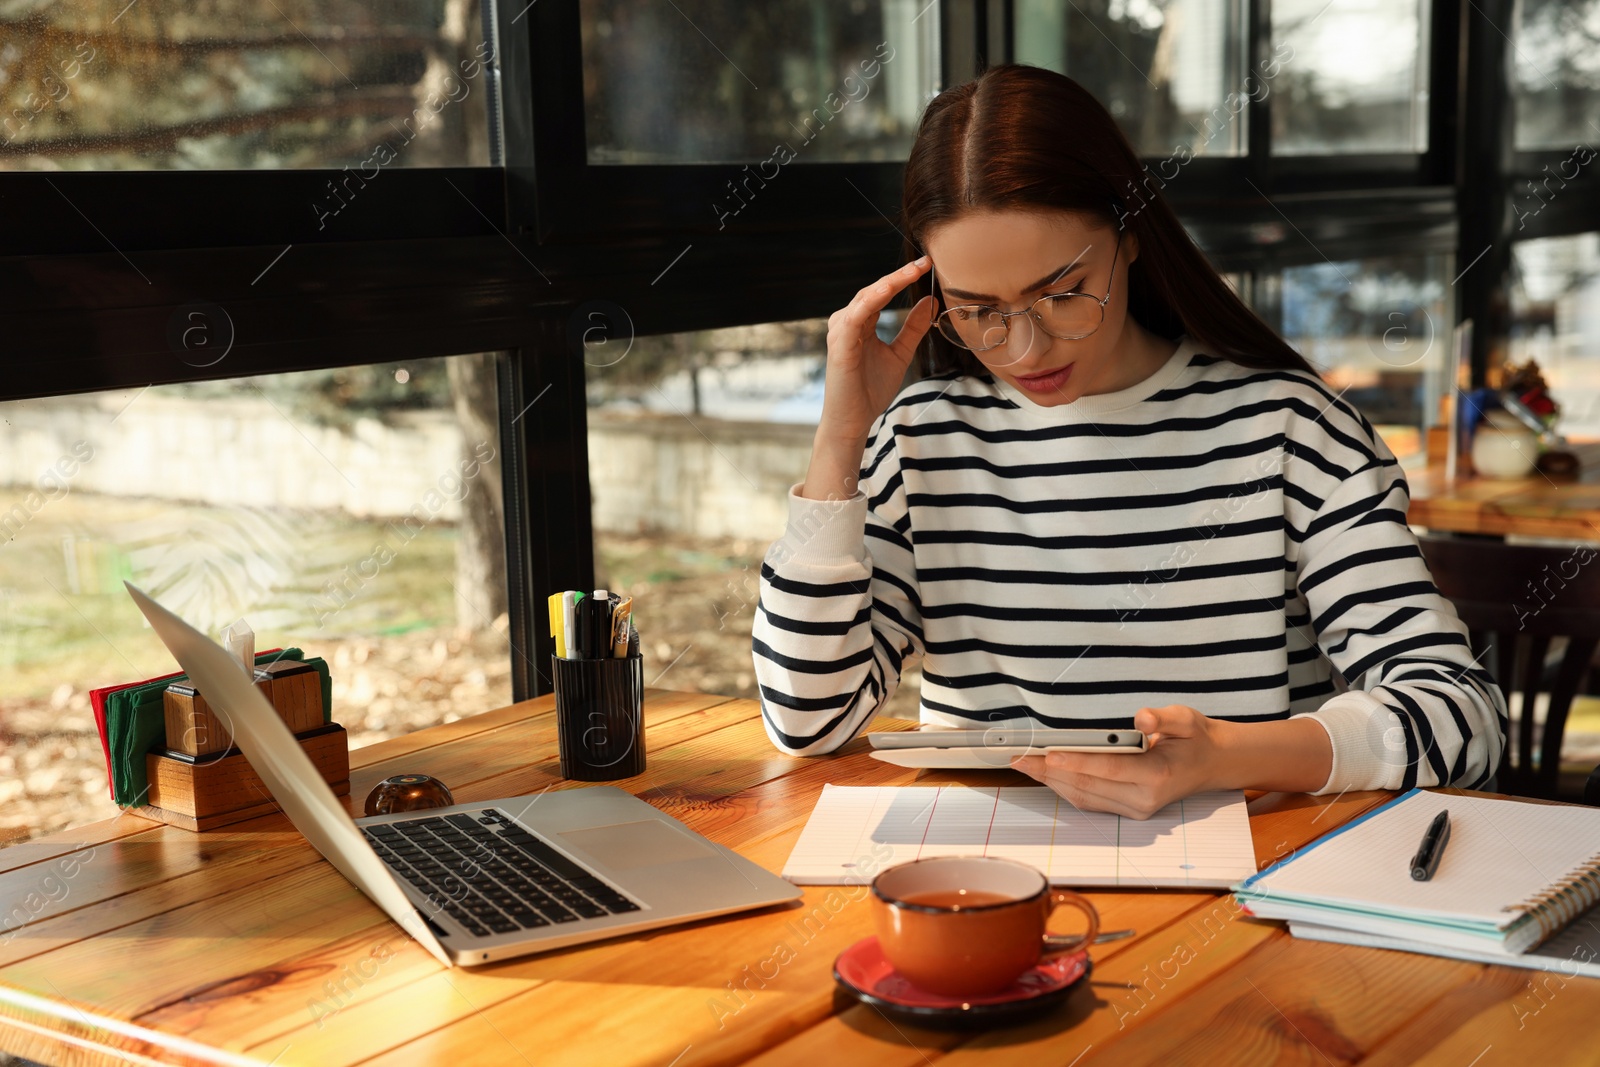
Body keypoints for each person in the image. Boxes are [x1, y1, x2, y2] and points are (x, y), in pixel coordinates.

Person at [750, 64, 1506, 819]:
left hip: (1248, 902)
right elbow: (805, 720)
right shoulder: (923, 442)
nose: (1024, 348)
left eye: (1062, 292)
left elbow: (1464, 720)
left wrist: (1226, 757)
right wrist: (840, 440)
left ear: (1132, 235)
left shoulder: (1290, 430)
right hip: (986, 893)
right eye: (979, 310)